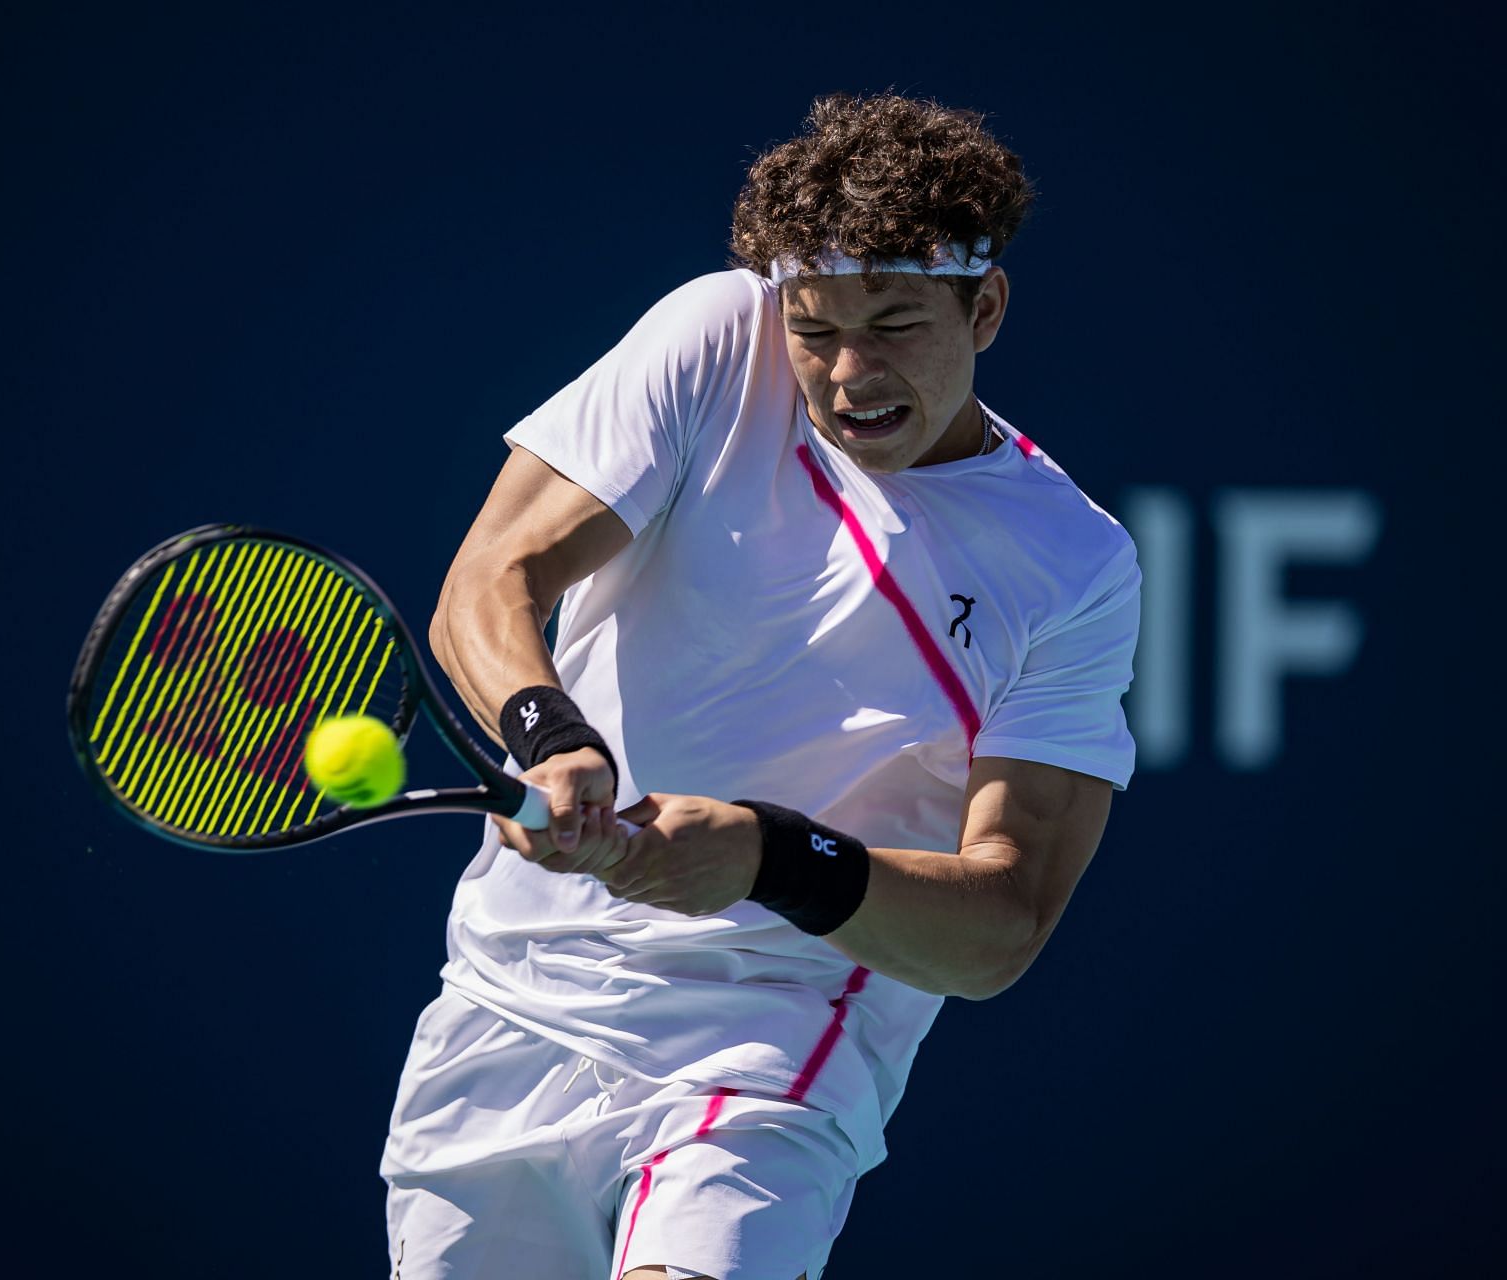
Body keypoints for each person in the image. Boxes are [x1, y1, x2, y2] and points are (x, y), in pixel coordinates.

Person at [380, 92, 1140, 1279]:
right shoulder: (716, 338)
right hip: (509, 1000)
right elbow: (493, 575)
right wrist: (550, 732)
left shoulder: (1074, 567)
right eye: (815, 327)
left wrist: (767, 856)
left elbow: (1001, 924)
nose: (848, 373)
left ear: (984, 306)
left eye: (893, 324)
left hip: (772, 1044)